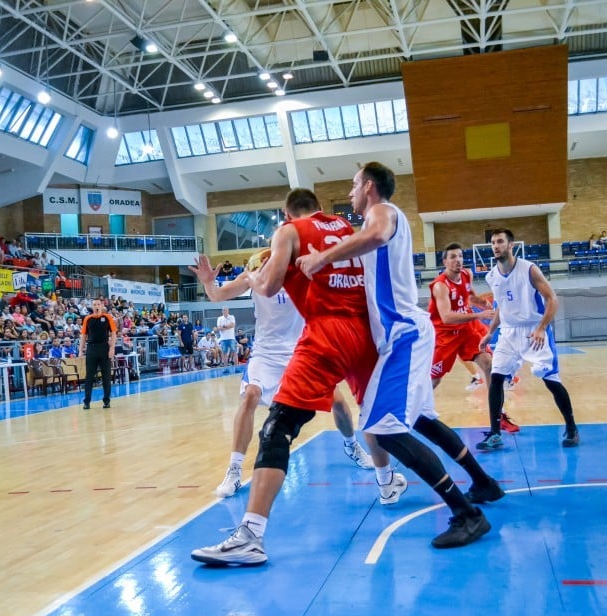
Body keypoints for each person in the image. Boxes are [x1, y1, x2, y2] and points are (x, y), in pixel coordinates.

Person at [191, 181, 491, 566]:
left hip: (327, 334)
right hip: (368, 334)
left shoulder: (289, 232)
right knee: (380, 421)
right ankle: (403, 489)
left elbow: (266, 286)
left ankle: (250, 535)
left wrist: (251, 277)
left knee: (278, 426)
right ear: (319, 208)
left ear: (286, 214)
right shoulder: (346, 230)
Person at [189, 250, 373, 500]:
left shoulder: (301, 274)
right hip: (265, 354)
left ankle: (352, 446)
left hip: (301, 351)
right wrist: (208, 281)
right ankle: (234, 470)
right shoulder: (250, 277)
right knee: (250, 396)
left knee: (338, 403)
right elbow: (217, 295)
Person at [476, 228, 580, 451]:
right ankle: (495, 433)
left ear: (511, 245)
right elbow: (500, 308)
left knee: (550, 379)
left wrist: (542, 328)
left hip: (534, 330)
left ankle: (572, 427)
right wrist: (490, 332)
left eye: (500, 241)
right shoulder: (491, 276)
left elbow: (552, 299)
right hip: (508, 333)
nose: (496, 246)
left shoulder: (529, 270)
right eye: (493, 242)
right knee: (495, 378)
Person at [429, 242, 520, 433]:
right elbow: (447, 316)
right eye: (453, 257)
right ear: (444, 261)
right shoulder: (440, 286)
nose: (458, 260)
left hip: (469, 330)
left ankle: (499, 415)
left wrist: (481, 302)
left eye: (460, 256)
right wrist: (478, 315)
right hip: (445, 335)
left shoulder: (467, 275)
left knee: (489, 364)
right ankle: (411, 412)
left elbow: (469, 297)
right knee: (433, 381)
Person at [79, 298, 117, 409]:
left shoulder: (107, 317)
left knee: (106, 376)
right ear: (92, 306)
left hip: (104, 347)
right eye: (94, 304)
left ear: (102, 306)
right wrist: (81, 350)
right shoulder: (88, 318)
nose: (96, 306)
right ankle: (87, 401)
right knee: (89, 376)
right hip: (91, 348)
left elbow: (113, 333)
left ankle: (106, 400)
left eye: (98, 304)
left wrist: (112, 348)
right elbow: (83, 336)